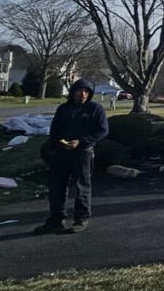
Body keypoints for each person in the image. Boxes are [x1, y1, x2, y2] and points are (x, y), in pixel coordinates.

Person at [34, 79, 108, 235]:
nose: (83, 94)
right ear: (73, 92)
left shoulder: (95, 109)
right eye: (80, 91)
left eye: (87, 92)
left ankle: (81, 219)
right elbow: (54, 130)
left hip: (83, 153)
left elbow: (102, 130)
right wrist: (54, 146)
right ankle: (56, 220)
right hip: (61, 152)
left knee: (82, 186)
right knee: (57, 187)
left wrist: (81, 142)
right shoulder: (64, 109)